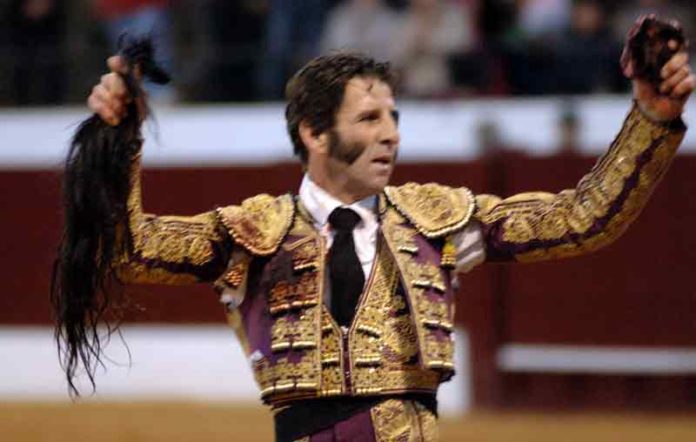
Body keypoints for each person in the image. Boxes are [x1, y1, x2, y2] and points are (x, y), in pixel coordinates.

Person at [77, 22, 693, 441]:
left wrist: (651, 120)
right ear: (316, 135)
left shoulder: (438, 221)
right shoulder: (251, 233)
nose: (392, 132)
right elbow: (130, 249)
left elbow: (581, 217)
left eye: (393, 116)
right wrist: (121, 140)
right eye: (369, 117)